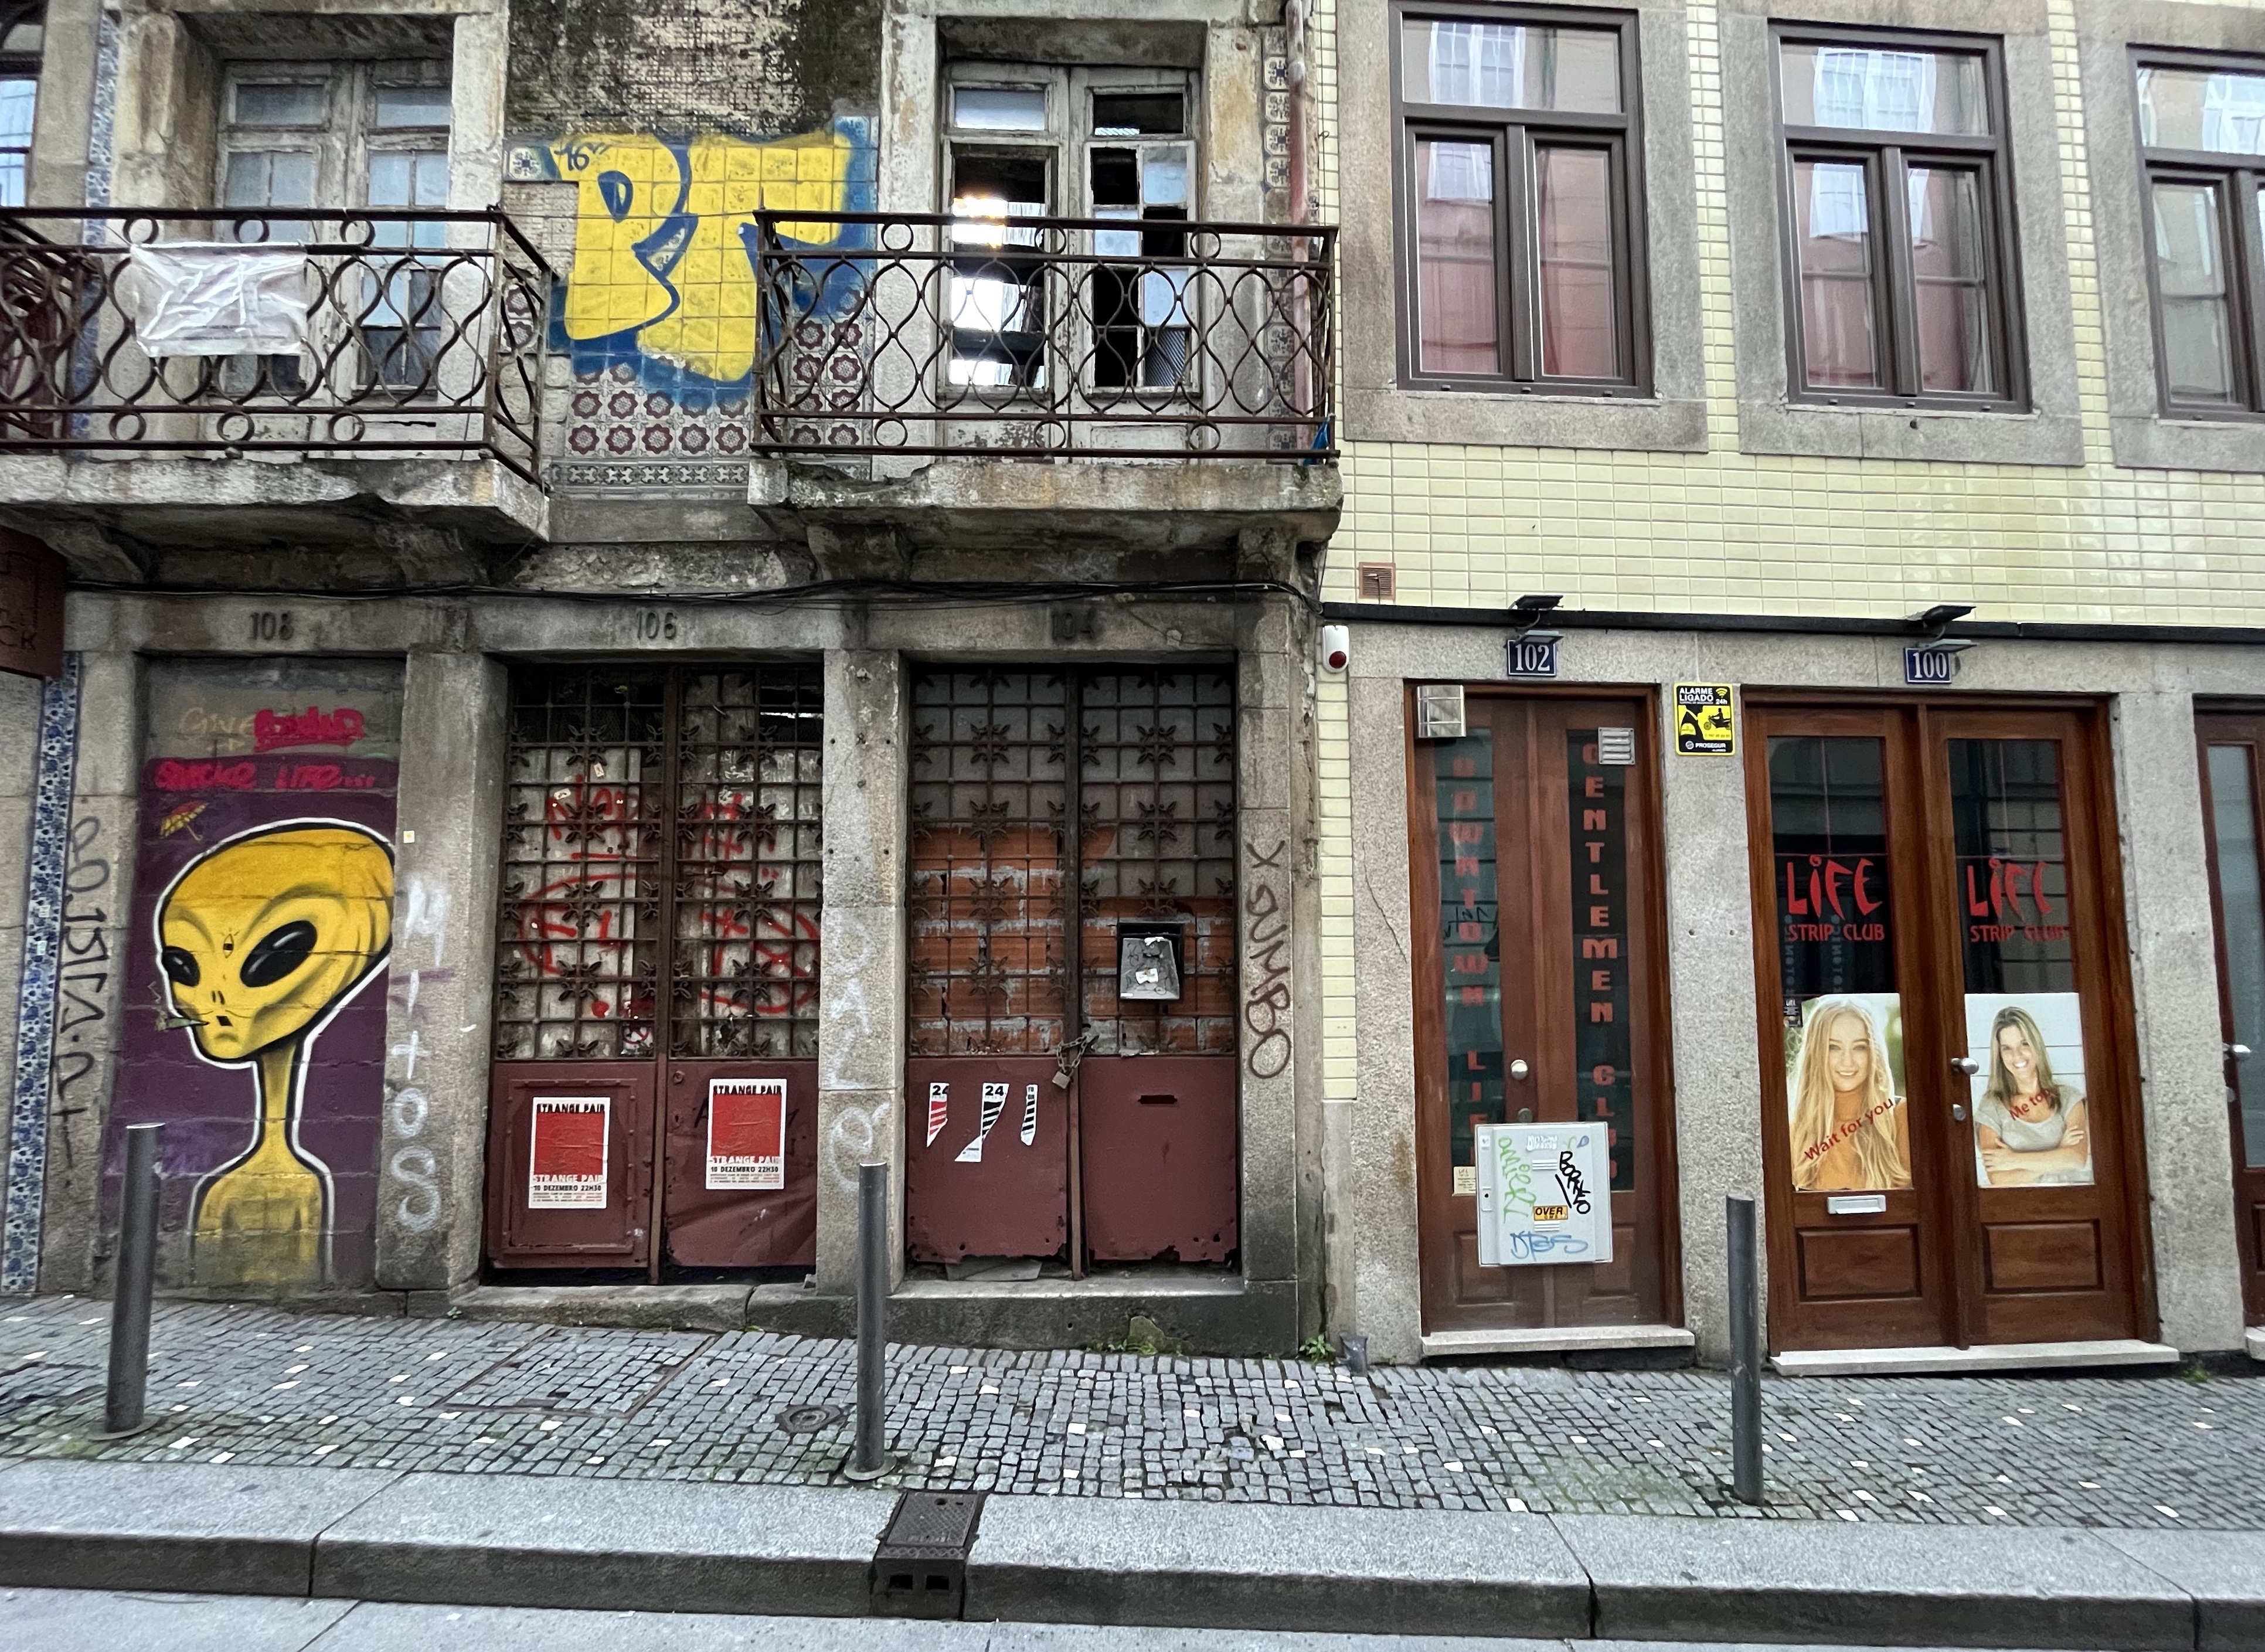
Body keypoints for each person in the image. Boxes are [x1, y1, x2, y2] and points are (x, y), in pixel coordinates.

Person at [1789, 997, 1910, 1192]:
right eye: (1833, 1047)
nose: (1848, 1061)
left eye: (1860, 1047)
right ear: (1817, 1053)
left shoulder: (1900, 1116)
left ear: (1874, 1054)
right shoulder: (1794, 1135)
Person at [1973, 1004, 2091, 1187]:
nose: (2017, 1055)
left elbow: (2076, 1159)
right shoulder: (1991, 1106)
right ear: (2000, 1055)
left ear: (2036, 1045)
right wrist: (2059, 1153)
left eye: (2025, 1043)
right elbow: (1998, 1179)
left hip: (2071, 1198)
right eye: (2007, 1048)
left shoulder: (2069, 1097)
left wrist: (2011, 1160)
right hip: (2021, 1202)